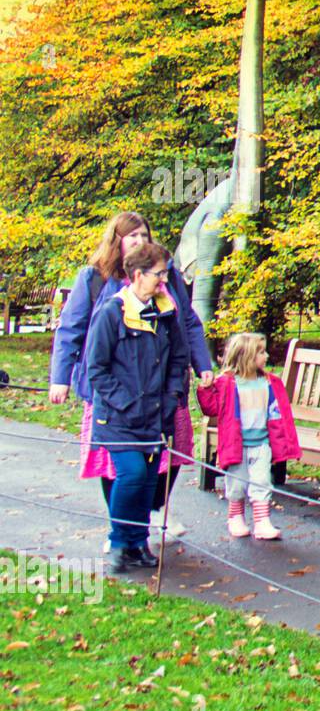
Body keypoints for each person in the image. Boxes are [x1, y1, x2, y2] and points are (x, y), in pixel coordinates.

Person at [48, 211, 212, 542]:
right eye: (132, 236)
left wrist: (201, 362)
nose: (139, 241)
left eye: (143, 235)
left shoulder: (168, 279)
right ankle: (122, 530)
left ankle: (151, 509)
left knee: (170, 454)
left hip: (164, 387)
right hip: (115, 393)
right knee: (118, 463)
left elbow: (189, 324)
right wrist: (60, 376)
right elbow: (71, 329)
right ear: (118, 241)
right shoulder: (95, 280)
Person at [84, 242, 189, 573]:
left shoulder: (165, 311)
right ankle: (119, 542)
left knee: (147, 481)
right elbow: (96, 369)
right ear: (138, 274)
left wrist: (171, 396)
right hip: (118, 418)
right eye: (159, 273)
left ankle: (138, 543)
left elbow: (178, 358)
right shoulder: (112, 313)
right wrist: (126, 404)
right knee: (131, 475)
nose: (163, 280)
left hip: (155, 415)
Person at [196, 332, 302, 540]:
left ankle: (262, 522)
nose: (267, 356)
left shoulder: (270, 382)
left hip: (262, 443)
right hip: (236, 444)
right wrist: (206, 389)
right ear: (245, 356)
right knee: (237, 482)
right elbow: (211, 409)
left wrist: (282, 441)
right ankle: (235, 517)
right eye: (261, 352)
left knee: (262, 481)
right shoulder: (227, 383)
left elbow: (280, 414)